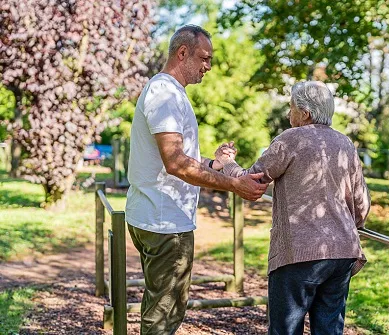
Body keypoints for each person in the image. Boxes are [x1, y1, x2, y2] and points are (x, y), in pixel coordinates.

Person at [125, 25, 268, 334]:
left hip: (156, 216)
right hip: (164, 223)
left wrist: (214, 163)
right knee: (163, 318)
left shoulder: (170, 93)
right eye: (204, 58)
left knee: (163, 309)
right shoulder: (164, 93)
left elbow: (176, 157)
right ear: (182, 53)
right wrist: (233, 184)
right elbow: (176, 163)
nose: (209, 67)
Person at [215, 81, 371, 335]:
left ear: (305, 113)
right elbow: (362, 205)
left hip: (298, 254)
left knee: (285, 330)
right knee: (329, 330)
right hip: (342, 253)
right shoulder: (346, 144)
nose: (289, 114)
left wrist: (227, 163)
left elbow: (252, 184)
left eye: (291, 108)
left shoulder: (289, 140)